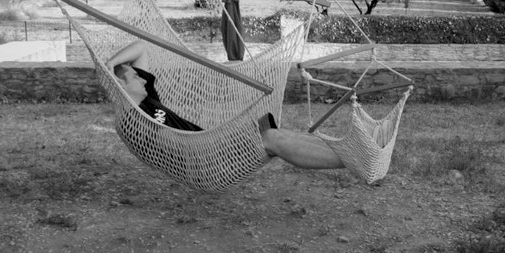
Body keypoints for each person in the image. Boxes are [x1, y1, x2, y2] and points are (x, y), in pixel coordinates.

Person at [106, 41, 345, 169]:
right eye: (134, 77)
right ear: (121, 86)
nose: (142, 79)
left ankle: (348, 152)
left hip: (208, 147)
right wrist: (224, 139)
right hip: (204, 163)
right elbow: (180, 149)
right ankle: (351, 161)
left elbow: (140, 48)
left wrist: (111, 64)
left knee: (274, 132)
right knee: (272, 139)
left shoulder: (147, 98)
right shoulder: (133, 123)